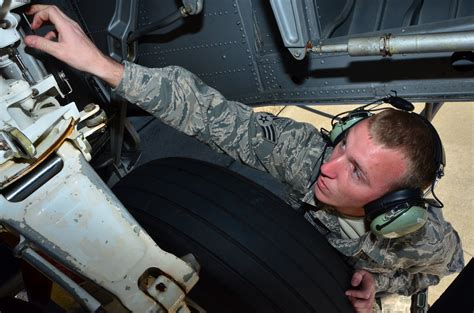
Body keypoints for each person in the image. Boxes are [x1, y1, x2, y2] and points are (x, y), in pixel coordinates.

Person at [23, 5, 464, 312]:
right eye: (343, 145)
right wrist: (102, 65)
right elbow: (210, 114)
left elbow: (427, 276)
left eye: (356, 172)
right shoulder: (308, 156)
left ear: (394, 208)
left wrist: (379, 282)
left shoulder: (422, 237)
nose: (327, 168)